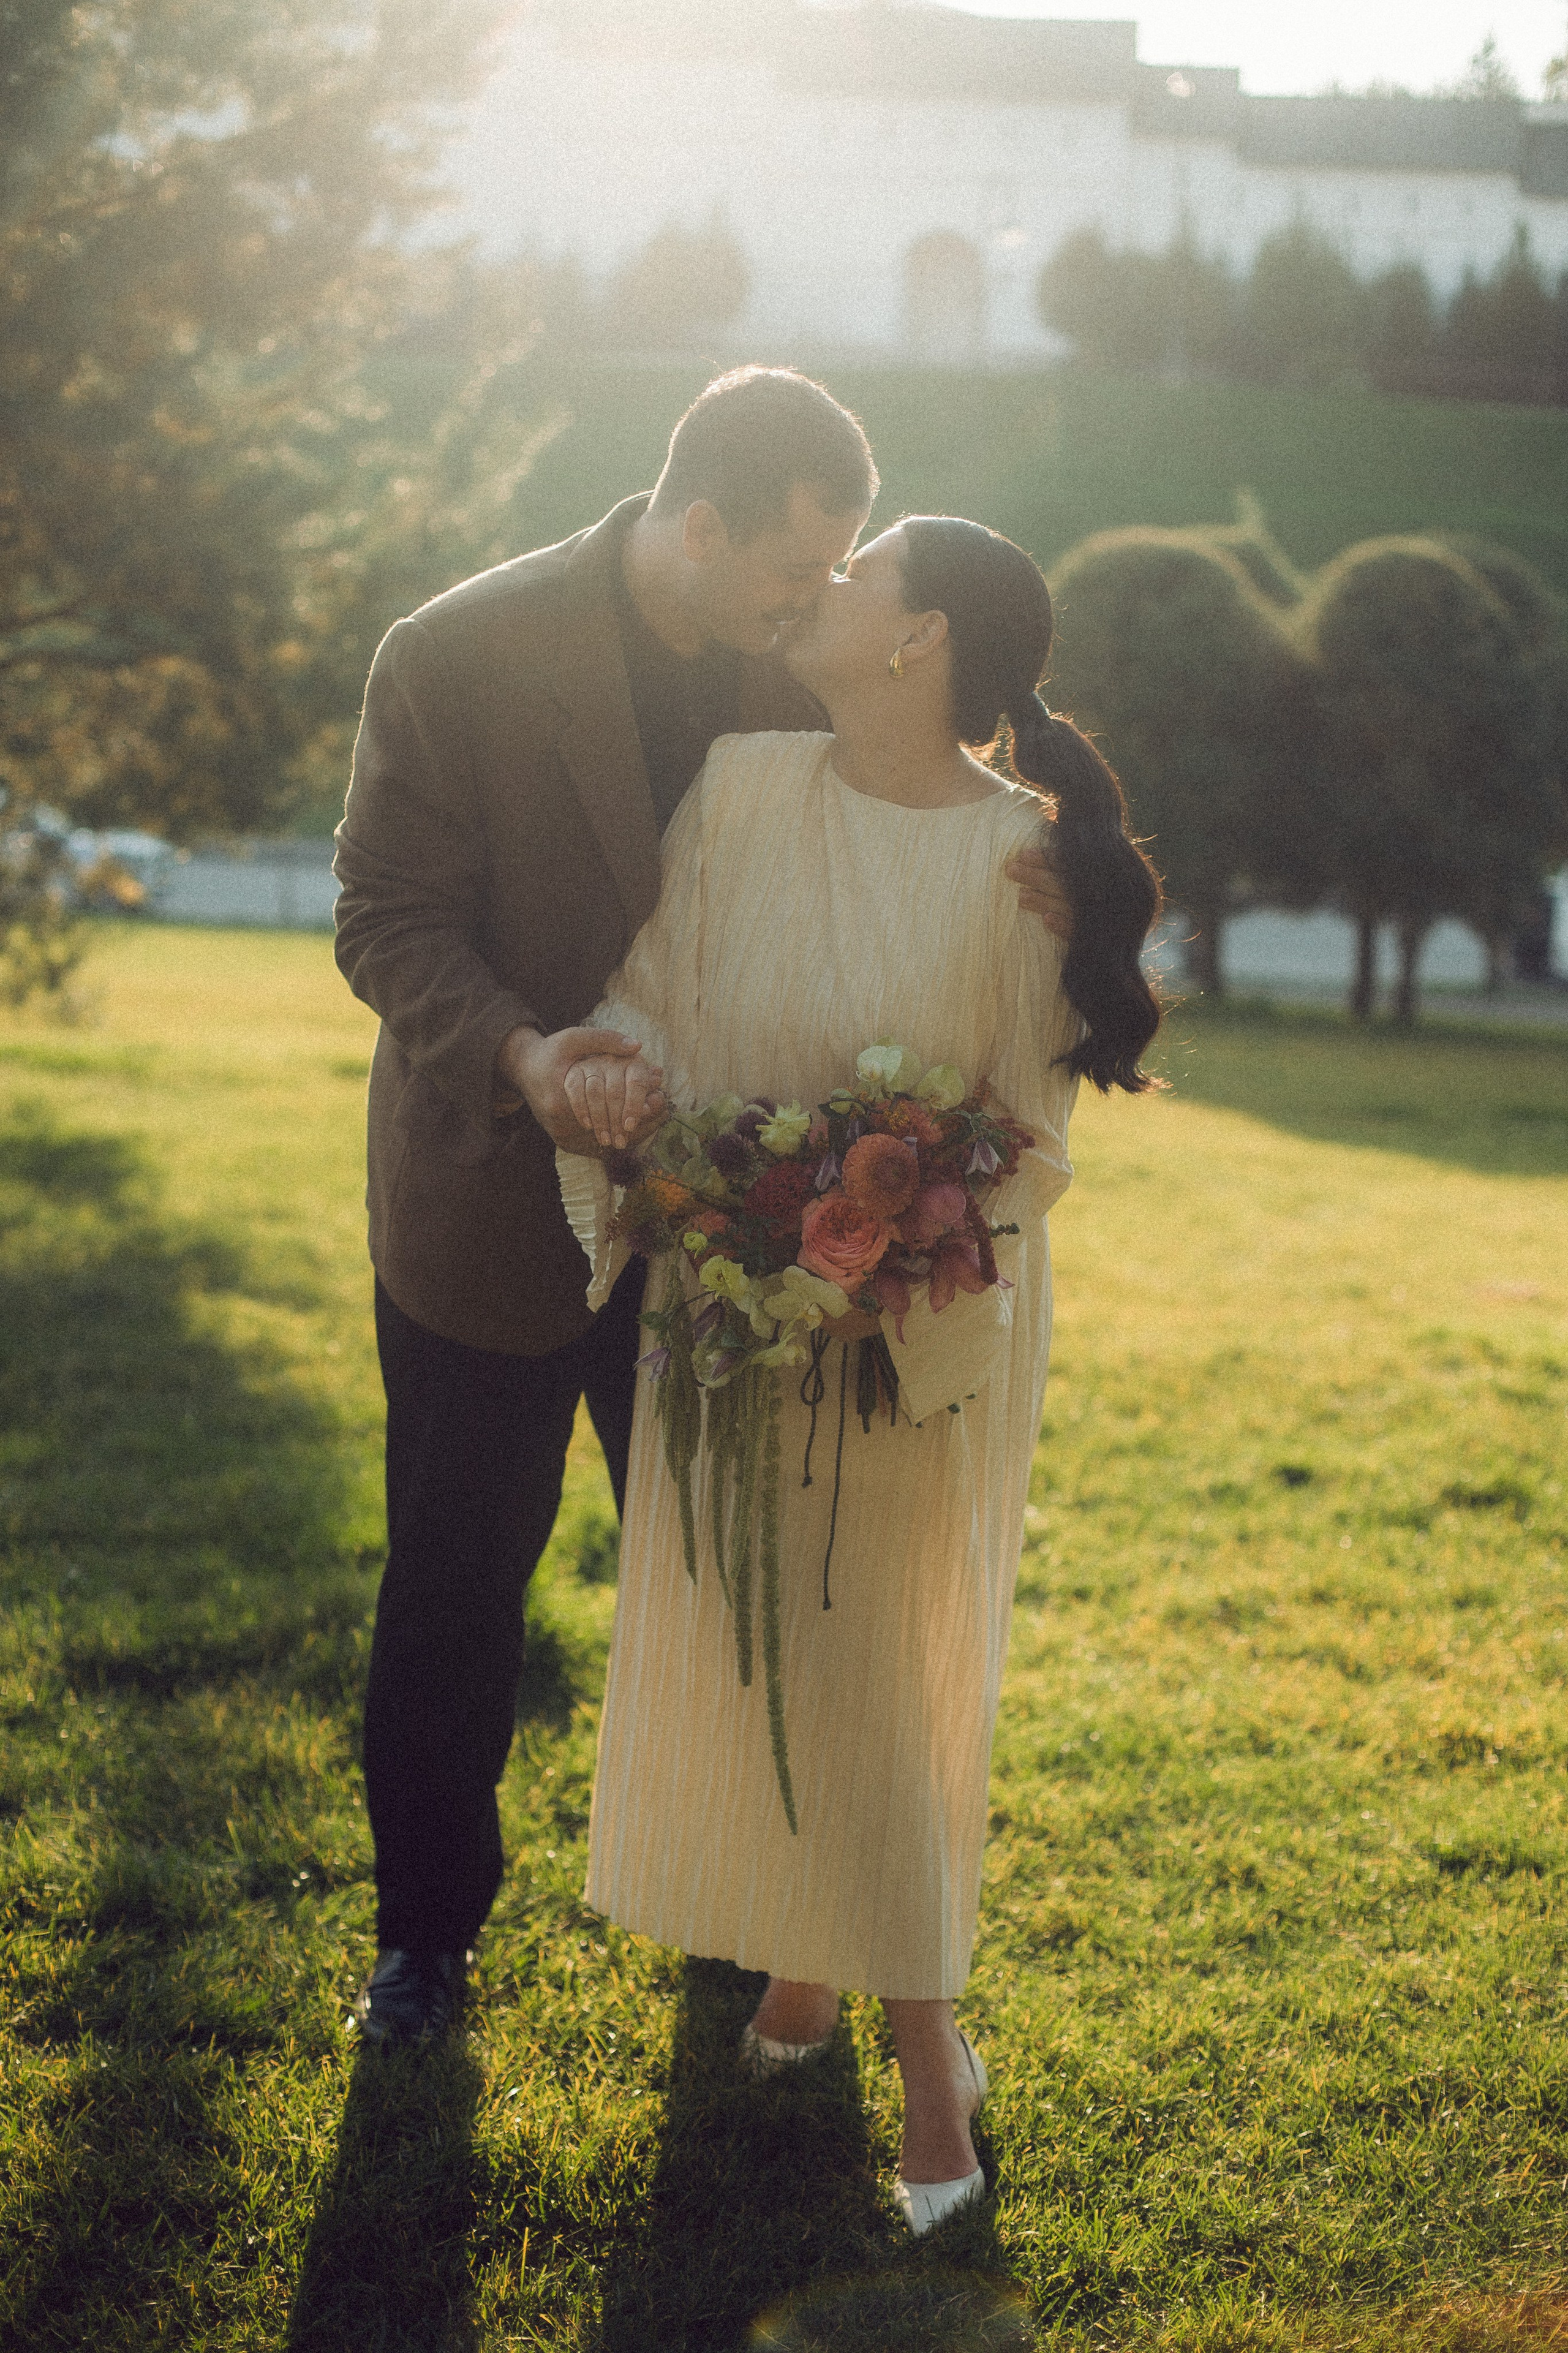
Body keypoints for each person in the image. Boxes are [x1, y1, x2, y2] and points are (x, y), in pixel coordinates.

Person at [333, 368, 1073, 2046]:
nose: (813, 603)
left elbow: (923, 762)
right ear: (699, 519)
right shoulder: (454, 650)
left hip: (751, 1223)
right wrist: (528, 1058)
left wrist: (1045, 859)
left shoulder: (803, 653)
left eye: (835, 577)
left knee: (759, 1574)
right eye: (787, 573)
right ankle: (427, 1939)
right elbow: (382, 920)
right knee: (458, 1579)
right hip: (492, 1196)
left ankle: (750, 1920)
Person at [545, 516, 1161, 2230]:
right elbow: (652, 996)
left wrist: (890, 1231)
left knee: (886, 1662)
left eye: (867, 560)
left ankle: (928, 2060)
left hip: (924, 1320)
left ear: (923, 638)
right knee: (769, 1632)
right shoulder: (742, 781)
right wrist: (689, 1158)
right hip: (737, 1289)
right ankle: (805, 1960)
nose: (826, 574)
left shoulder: (1020, 862)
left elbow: (1025, 1137)